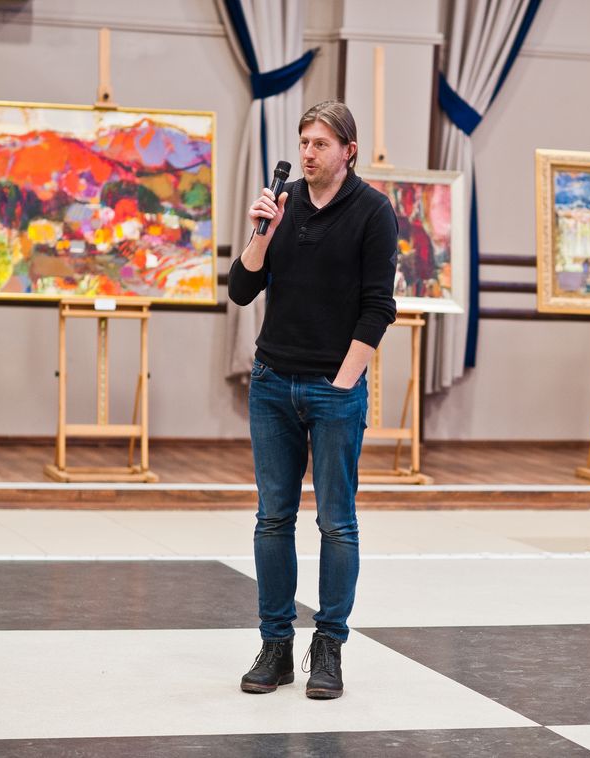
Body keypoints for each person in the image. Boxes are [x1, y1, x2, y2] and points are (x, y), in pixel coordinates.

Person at [228, 100, 398, 699]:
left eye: (320, 143)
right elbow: (242, 289)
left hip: (333, 389)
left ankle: (328, 646)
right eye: (303, 142)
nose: (307, 153)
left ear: (348, 151)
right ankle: (276, 645)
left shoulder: (373, 211)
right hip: (273, 382)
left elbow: (378, 307)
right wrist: (262, 234)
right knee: (273, 518)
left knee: (336, 523)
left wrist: (344, 382)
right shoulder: (284, 204)